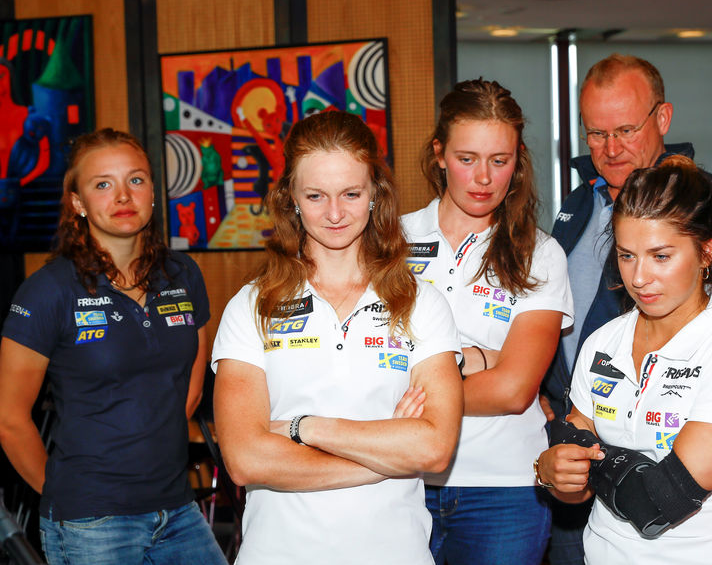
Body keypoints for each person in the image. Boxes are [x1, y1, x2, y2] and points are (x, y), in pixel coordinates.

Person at [542, 53, 712, 564]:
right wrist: (557, 462)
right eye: (625, 255)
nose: (639, 276)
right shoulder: (603, 341)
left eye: (661, 255)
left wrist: (566, 452)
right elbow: (573, 461)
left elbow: (654, 501)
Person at [211, 110, 463, 565]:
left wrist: (301, 427)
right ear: (291, 198)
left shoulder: (421, 304)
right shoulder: (250, 307)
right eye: (315, 195)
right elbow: (246, 459)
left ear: (375, 195)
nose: (334, 213)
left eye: (351, 193)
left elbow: (434, 447)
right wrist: (384, 454)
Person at [0, 128, 227, 565]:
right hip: (93, 521)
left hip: (178, 508)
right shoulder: (47, 291)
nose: (123, 196)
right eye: (103, 184)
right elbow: (10, 421)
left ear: (154, 192)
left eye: (136, 180)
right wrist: (69, 498)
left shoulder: (184, 274)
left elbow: (191, 389)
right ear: (78, 203)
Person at [402, 79, 574, 565]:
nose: (483, 178)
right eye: (467, 158)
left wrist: (404, 395)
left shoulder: (540, 253)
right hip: (402, 479)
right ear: (439, 154)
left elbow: (514, 391)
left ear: (518, 161)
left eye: (499, 161)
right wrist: (479, 361)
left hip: (504, 489)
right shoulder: (390, 242)